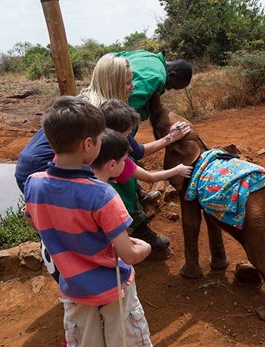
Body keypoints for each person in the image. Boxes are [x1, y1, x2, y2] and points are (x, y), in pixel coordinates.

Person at [24, 96, 152, 347]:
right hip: (113, 290)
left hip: (73, 291)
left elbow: (34, 223)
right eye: (101, 139)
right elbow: (129, 254)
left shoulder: (34, 183)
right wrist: (144, 247)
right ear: (89, 144)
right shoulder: (102, 194)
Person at [99, 99, 191, 247]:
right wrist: (176, 170)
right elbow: (148, 177)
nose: (129, 136)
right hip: (115, 205)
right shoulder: (121, 161)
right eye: (126, 133)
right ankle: (139, 229)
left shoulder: (94, 151)